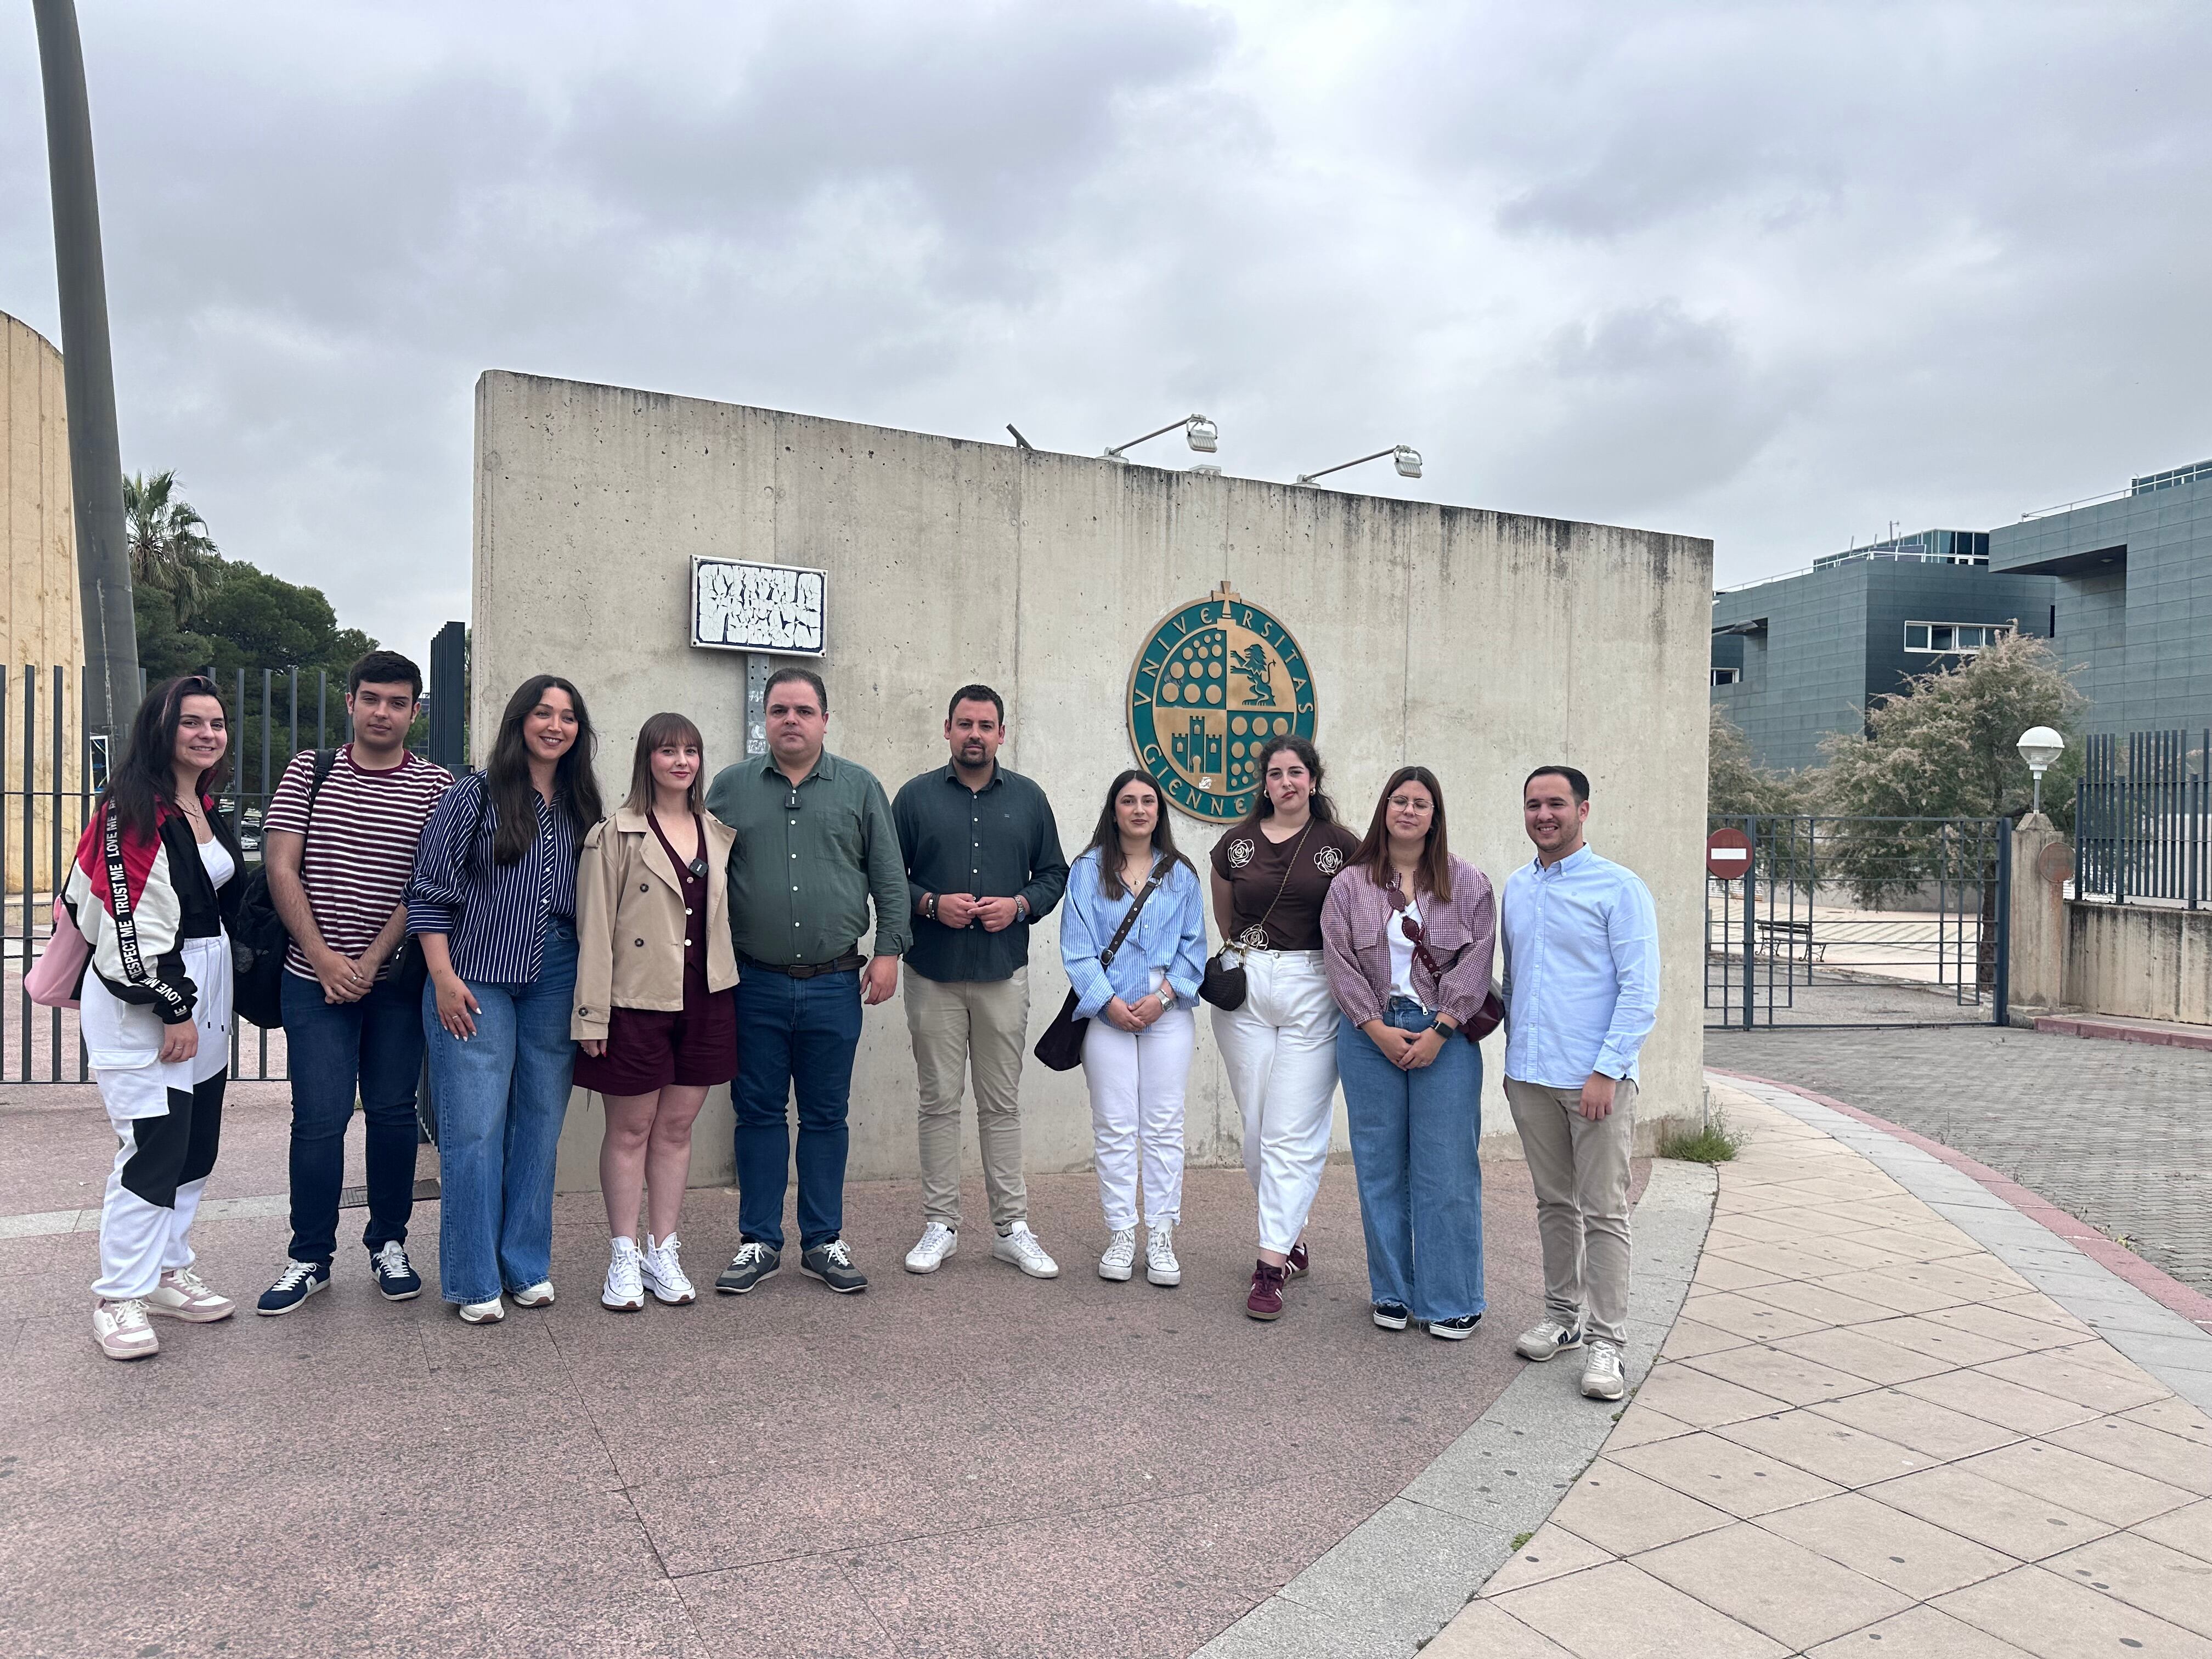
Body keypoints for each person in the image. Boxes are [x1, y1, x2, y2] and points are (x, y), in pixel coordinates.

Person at [256, 651, 452, 1316]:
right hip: (312, 981)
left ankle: (388, 1242)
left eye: (398, 703)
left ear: (415, 712)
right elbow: (282, 868)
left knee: (394, 1114)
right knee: (319, 1119)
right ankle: (309, 1255)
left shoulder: (437, 787)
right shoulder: (308, 772)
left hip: (393, 981)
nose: (382, 712)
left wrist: (370, 960)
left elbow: (427, 885)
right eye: (371, 698)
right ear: (350, 702)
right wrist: (325, 957)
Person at [703, 668, 910, 1297]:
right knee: (757, 1111)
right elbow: (699, 876)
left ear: (825, 719)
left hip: (833, 982)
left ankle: (823, 1241)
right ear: (765, 720)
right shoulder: (731, 789)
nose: (790, 720)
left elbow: (890, 878)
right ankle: (758, 1241)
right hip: (753, 983)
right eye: (779, 711)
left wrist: (888, 952)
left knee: (826, 1115)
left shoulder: (860, 787)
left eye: (803, 710)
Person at [407, 675, 601, 1323]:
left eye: (568, 716)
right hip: (475, 973)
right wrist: (441, 976)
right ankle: (473, 1278)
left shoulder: (582, 804)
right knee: (474, 1128)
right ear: (519, 721)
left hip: (556, 972)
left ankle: (525, 1264)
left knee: (540, 1125)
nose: (555, 725)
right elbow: (430, 890)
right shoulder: (473, 796)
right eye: (543, 713)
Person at [66, 676, 245, 1359]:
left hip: (204, 996)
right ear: (161, 729)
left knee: (195, 1146)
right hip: (149, 1002)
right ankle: (120, 1295)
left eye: (217, 724)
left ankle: (168, 1270)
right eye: (191, 722)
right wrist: (171, 1007)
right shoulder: (132, 811)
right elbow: (128, 930)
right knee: (153, 1146)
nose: (207, 734)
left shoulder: (200, 803)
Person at [893, 685, 1069, 1279]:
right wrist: (928, 904)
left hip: (1002, 973)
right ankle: (940, 1224)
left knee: (1001, 1104)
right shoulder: (915, 799)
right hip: (932, 974)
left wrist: (1019, 905)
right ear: (947, 730)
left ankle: (1011, 1228)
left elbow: (1053, 874)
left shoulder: (1029, 799)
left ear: (1001, 733)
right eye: (964, 724)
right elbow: (890, 877)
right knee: (938, 1101)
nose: (975, 734)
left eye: (985, 725)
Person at [1499, 765, 1660, 1402]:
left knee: (1605, 1211)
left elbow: (1640, 990)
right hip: (1530, 1077)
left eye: (1557, 804)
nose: (1545, 815)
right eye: (1534, 805)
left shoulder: (1619, 889)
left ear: (1583, 811)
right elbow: (1515, 981)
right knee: (1553, 1204)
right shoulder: (1516, 887)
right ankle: (1562, 1317)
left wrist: (1607, 1070)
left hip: (1594, 1080)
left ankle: (1609, 1344)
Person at [1321, 767, 1495, 1339]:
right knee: (1380, 1169)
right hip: (1370, 1036)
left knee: (1447, 1170)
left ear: (1435, 815)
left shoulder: (1468, 883)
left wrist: (1441, 1029)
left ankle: (1451, 1298)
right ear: (1385, 809)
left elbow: (1477, 960)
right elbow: (1340, 963)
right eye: (1400, 800)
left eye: (1421, 803)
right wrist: (1376, 1029)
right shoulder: (1350, 885)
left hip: (1443, 1037)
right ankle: (1392, 1292)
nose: (1410, 811)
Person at [573, 713, 738, 1311]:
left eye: (691, 751)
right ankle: (622, 1253)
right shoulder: (614, 835)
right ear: (647, 759)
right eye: (668, 751)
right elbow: (594, 931)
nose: (681, 761)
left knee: (674, 1130)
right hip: (634, 1003)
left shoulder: (717, 831)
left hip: (706, 998)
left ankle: (661, 1250)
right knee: (631, 1130)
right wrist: (592, 1016)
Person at [1209, 736, 1362, 1321]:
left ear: (1314, 781)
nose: (1286, 783)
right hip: (1247, 985)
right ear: (1264, 783)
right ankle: (1292, 1238)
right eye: (1275, 774)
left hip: (1313, 982)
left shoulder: (1341, 845)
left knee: (1290, 1132)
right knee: (1256, 1130)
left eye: (1296, 772)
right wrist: (1251, 952)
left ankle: (1269, 1267)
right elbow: (1226, 910)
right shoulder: (1237, 843)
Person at [1062, 770, 1205, 1286]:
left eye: (1148, 801)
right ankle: (1122, 1232)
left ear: (1159, 812)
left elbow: (1195, 947)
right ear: (1114, 809)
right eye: (1129, 800)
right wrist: (1107, 1004)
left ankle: (1162, 1233)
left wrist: (1165, 998)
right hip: (1108, 1010)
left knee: (1165, 1125)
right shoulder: (1086, 871)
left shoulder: (1181, 874)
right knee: (1116, 1127)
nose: (1139, 809)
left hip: (1167, 1011)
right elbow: (1077, 950)